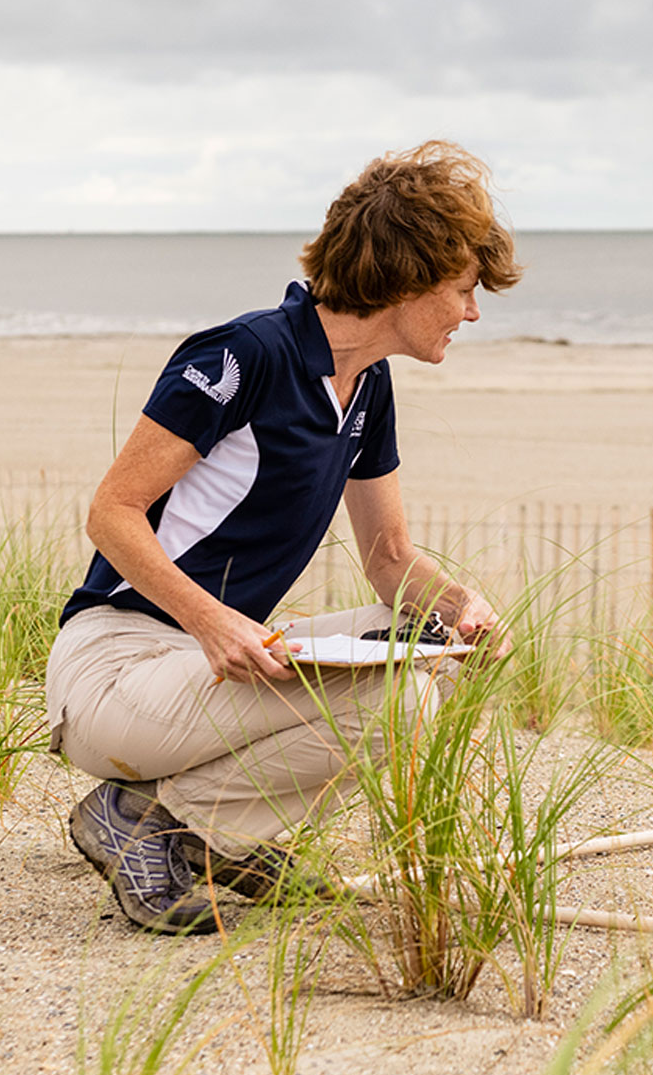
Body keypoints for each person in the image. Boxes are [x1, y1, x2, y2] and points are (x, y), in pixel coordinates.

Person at [44, 142, 517, 934]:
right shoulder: (245, 355)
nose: (471, 312)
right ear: (410, 272)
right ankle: (160, 825)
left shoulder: (368, 385)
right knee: (398, 699)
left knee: (429, 651)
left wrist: (463, 608)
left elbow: (389, 559)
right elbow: (111, 512)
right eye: (465, 290)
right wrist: (211, 620)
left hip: (201, 675)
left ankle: (199, 831)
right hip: (115, 667)